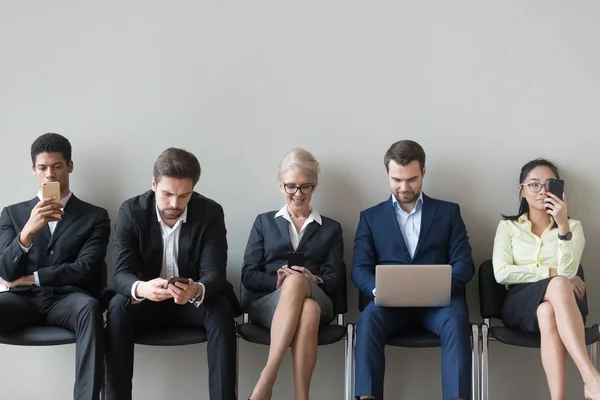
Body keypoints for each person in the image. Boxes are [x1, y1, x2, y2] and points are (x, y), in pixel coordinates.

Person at [104, 147, 241, 400]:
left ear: (193, 190)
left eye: (184, 195)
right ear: (154, 184)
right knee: (117, 308)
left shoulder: (210, 212)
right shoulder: (131, 212)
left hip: (191, 303)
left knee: (220, 309)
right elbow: (121, 274)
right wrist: (142, 289)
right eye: (167, 194)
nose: (175, 204)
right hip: (145, 302)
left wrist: (196, 289)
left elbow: (214, 273)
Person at [352, 140, 474, 400]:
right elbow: (359, 268)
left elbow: (464, 263)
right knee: (368, 319)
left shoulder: (448, 212)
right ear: (387, 173)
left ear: (424, 172)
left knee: (456, 318)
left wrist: (441, 286)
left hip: (439, 306)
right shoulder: (370, 217)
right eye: (397, 179)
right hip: (388, 307)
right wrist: (378, 289)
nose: (404, 187)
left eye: (412, 179)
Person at [0, 133, 110, 400]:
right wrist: (27, 231)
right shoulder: (12, 214)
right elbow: (5, 272)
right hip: (20, 302)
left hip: (68, 300)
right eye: (43, 167)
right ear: (33, 170)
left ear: (70, 166)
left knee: (90, 308)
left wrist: (32, 278)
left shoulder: (95, 216)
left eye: (57, 166)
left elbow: (85, 268)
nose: (50, 174)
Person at [492, 158, 600, 400]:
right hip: (519, 304)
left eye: (549, 184)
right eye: (534, 184)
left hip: (564, 306)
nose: (542, 191)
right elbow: (501, 273)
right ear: (522, 191)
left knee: (547, 312)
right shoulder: (508, 227)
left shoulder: (573, 226)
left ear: (560, 190)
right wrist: (551, 273)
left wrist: (562, 227)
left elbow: (569, 271)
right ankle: (591, 377)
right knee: (560, 283)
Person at [241, 148, 344, 400]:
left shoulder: (331, 228)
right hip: (269, 304)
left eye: (305, 187)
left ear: (314, 186)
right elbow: (248, 274)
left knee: (301, 285)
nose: (298, 194)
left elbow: (333, 280)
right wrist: (276, 281)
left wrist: (312, 279)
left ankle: (267, 378)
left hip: (320, 299)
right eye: (291, 187)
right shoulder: (263, 223)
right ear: (280, 186)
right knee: (307, 309)